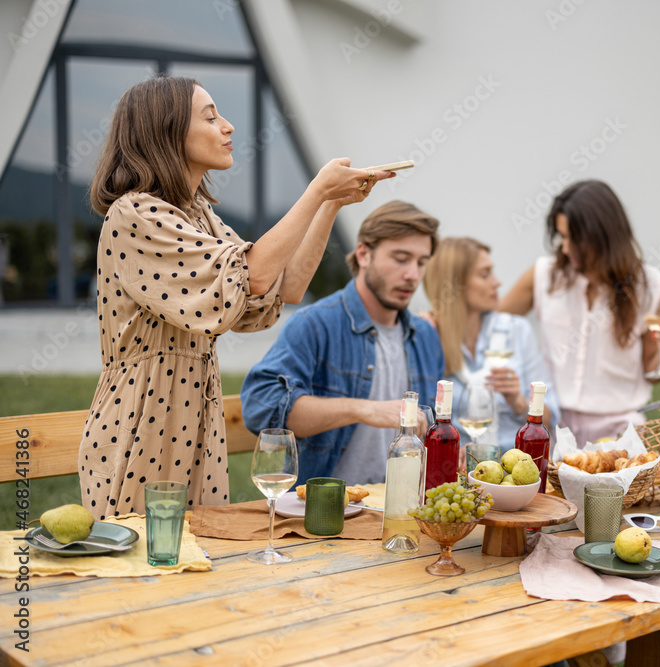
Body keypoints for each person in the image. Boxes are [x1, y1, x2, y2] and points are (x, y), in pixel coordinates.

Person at [79, 76, 392, 519]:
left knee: (197, 565)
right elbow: (254, 272)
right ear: (166, 132)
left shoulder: (199, 217)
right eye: (210, 117)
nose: (227, 127)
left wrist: (330, 205)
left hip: (193, 419)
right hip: (141, 421)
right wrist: (316, 189)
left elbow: (284, 285)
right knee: (143, 568)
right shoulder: (133, 214)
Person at [241, 201, 444, 485]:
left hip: (406, 509)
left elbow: (442, 423)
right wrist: (365, 409)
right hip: (325, 513)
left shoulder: (426, 335)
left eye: (421, 262)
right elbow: (260, 408)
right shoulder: (315, 324)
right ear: (363, 254)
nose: (412, 274)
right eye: (401, 258)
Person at [499, 180, 660, 446]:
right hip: (551, 425)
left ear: (604, 236)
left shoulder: (650, 286)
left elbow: (652, 372)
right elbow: (493, 322)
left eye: (575, 238)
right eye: (562, 236)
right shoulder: (544, 275)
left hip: (620, 429)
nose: (565, 247)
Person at [422, 237, 559, 449]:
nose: (497, 282)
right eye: (484, 274)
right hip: (454, 473)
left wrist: (519, 402)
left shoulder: (516, 330)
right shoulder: (426, 336)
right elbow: (419, 421)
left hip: (515, 470)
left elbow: (551, 421)